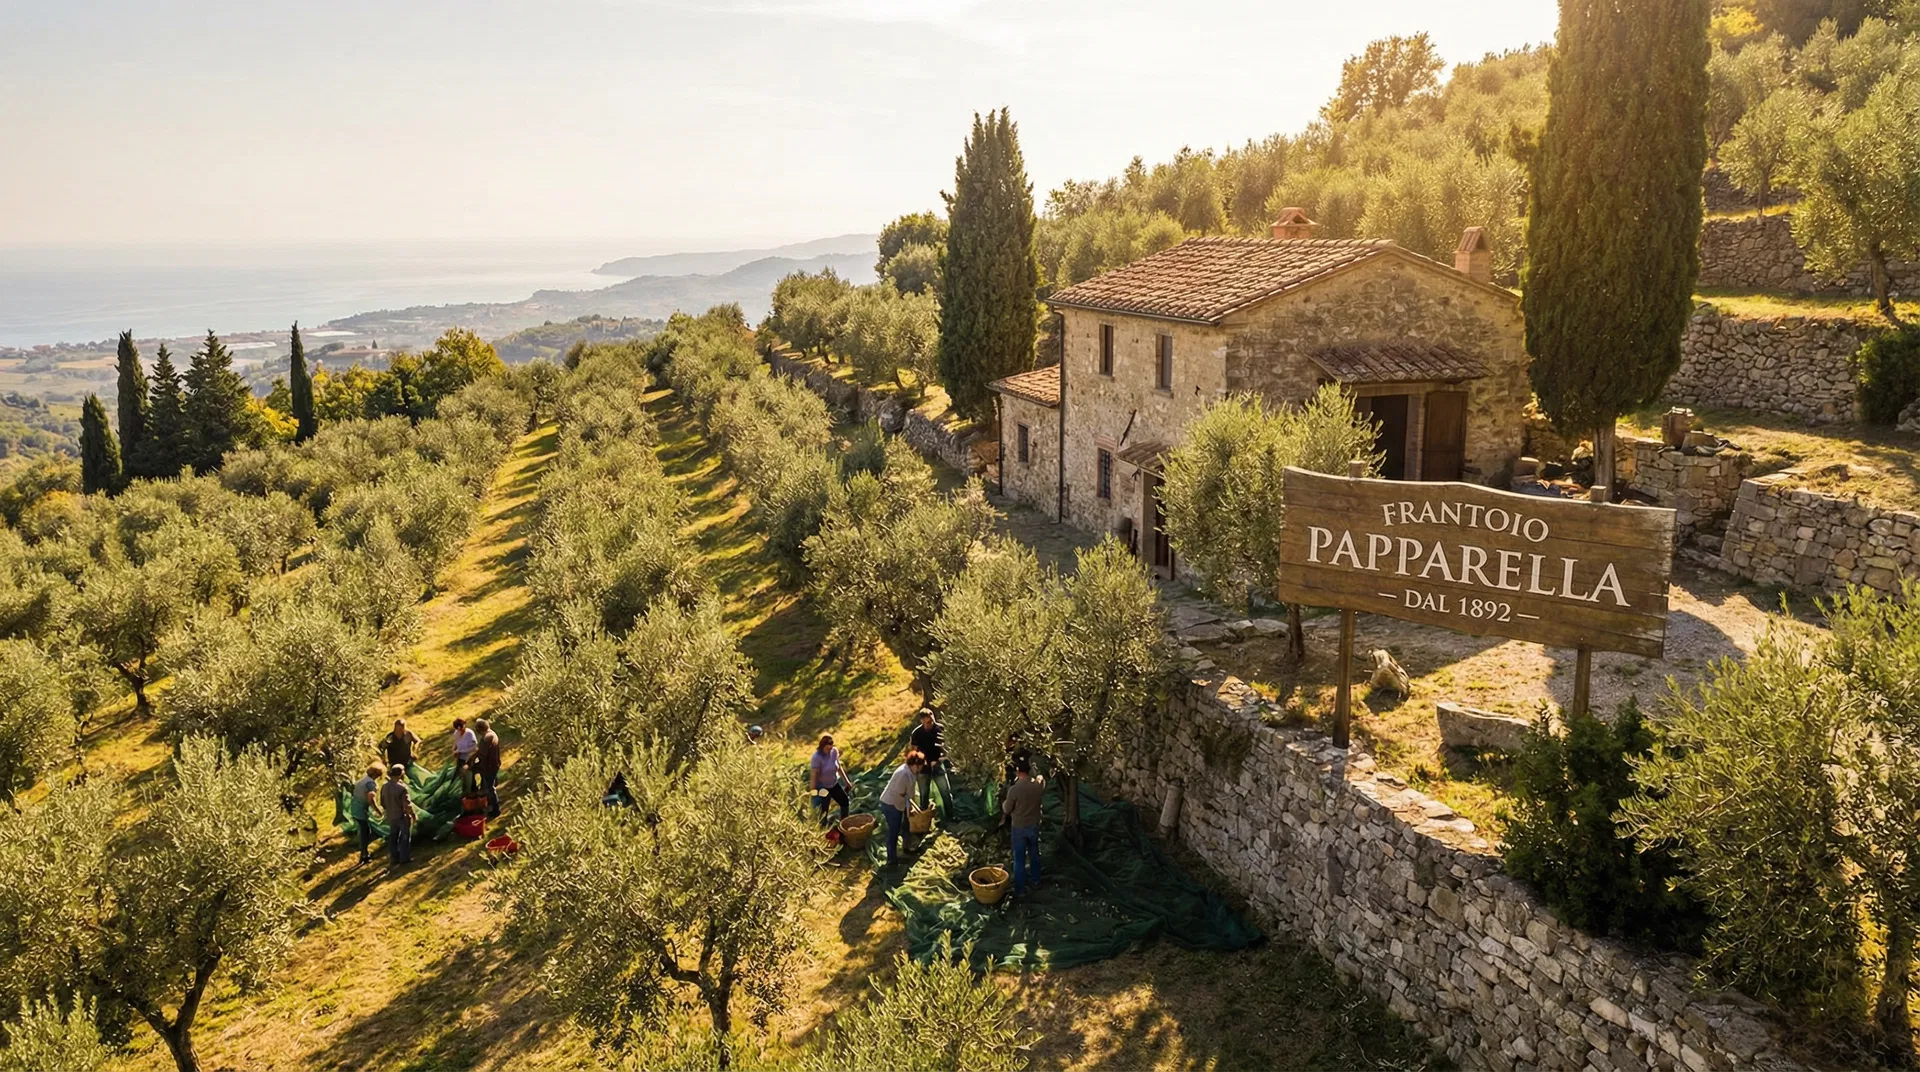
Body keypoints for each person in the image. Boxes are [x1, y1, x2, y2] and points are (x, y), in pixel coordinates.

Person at [1002, 758, 1046, 897]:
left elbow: (1007, 809)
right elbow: (1042, 781)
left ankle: (1020, 889)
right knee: (1034, 854)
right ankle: (1036, 881)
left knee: (1019, 859)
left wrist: (1004, 802)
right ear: (1029, 770)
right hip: (1033, 825)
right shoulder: (1037, 786)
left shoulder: (1014, 790)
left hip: (1019, 827)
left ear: (1017, 771)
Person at [878, 750, 926, 866]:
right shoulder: (903, 774)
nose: (920, 769)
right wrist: (909, 808)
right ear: (915, 765)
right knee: (893, 831)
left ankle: (906, 848)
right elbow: (901, 795)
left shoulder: (911, 773)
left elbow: (910, 794)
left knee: (906, 825)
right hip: (891, 804)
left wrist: (911, 807)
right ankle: (891, 860)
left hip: (900, 802)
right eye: (920, 766)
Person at [909, 708, 955, 817]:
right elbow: (914, 752)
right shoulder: (916, 733)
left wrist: (941, 758)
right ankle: (924, 818)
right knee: (923, 795)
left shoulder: (940, 729)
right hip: (923, 768)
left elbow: (948, 746)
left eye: (932, 720)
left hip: (938, 765)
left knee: (946, 792)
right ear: (922, 721)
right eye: (928, 721)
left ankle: (951, 816)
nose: (931, 723)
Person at [809, 734, 851, 824]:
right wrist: (812, 790)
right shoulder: (817, 757)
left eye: (830, 748)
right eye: (827, 749)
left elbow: (838, 766)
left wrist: (846, 781)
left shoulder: (834, 752)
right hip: (822, 786)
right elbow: (814, 774)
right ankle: (822, 830)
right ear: (822, 747)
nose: (829, 751)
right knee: (824, 810)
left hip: (833, 783)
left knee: (844, 801)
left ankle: (844, 824)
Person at [379, 764, 415, 867]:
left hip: (391, 815)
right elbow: (407, 805)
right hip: (401, 816)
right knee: (404, 836)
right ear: (400, 774)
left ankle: (394, 858)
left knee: (393, 837)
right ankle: (404, 858)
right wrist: (412, 814)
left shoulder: (385, 786)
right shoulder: (402, 788)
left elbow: (382, 803)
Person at [349, 763, 382, 865]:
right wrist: (378, 811)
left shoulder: (362, 780)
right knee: (365, 833)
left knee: (365, 831)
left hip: (354, 807)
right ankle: (364, 855)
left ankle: (364, 853)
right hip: (360, 810)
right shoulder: (371, 784)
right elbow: (371, 799)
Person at [474, 718, 502, 819]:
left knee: (490, 788)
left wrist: (474, 762)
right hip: (494, 764)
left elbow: (482, 754)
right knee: (490, 783)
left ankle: (496, 810)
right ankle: (491, 803)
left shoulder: (487, 738)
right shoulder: (492, 733)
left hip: (490, 766)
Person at [450, 717, 478, 790]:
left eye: (461, 727)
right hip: (460, 757)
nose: (460, 730)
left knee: (469, 775)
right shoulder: (457, 733)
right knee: (459, 775)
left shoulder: (469, 734)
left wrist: (461, 751)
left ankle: (473, 790)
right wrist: (454, 750)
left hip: (469, 757)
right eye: (458, 728)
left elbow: (474, 747)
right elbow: (456, 743)